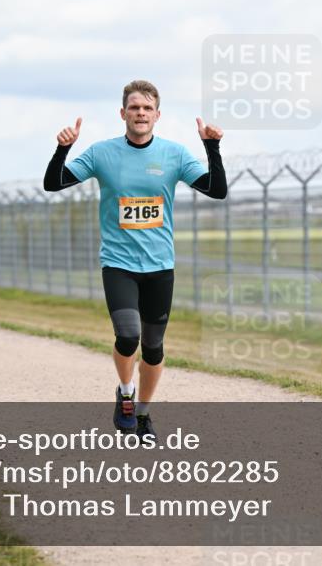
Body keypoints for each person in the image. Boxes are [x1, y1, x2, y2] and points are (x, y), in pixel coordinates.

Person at [43, 80, 227, 437]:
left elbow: (216, 190)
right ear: (123, 113)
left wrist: (212, 146)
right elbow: (54, 183)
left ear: (157, 115)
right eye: (134, 107)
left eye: (147, 108)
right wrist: (62, 149)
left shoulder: (174, 154)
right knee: (128, 336)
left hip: (160, 266)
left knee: (153, 348)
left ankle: (143, 413)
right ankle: (125, 393)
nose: (140, 113)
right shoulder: (102, 153)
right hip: (118, 264)